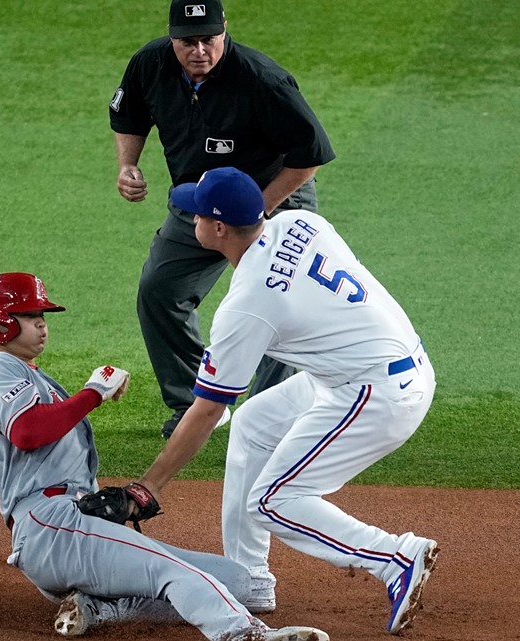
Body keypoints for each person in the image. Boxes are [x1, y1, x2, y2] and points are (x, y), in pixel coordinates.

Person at [80, 168, 440, 635]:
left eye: (197, 213)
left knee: (272, 500)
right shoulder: (299, 223)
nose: (190, 218)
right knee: (253, 423)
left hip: (376, 393)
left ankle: (394, 556)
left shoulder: (247, 304)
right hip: (378, 365)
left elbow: (207, 410)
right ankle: (249, 580)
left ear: (218, 229)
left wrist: (146, 488)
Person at [0, 272, 329, 641]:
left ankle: (104, 608)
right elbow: (27, 432)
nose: (42, 325)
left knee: (238, 581)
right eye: (30, 316)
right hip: (50, 528)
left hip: (76, 520)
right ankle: (242, 633)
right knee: (170, 571)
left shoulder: (28, 375)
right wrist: (93, 393)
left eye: (42, 316)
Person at [109, 0, 336, 438]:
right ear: (171, 37)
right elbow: (128, 115)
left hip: (276, 196)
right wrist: (127, 166)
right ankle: (197, 405)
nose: (198, 50)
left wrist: (256, 210)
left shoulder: (261, 79)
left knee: (280, 297)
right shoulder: (150, 63)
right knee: (161, 290)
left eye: (207, 39)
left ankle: (271, 414)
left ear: (224, 30)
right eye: (187, 41)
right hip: (200, 196)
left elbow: (308, 157)